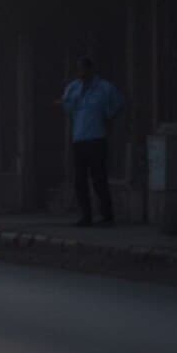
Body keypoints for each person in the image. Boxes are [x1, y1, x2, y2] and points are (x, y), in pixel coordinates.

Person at [61, 57, 125, 227]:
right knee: (80, 180)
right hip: (79, 138)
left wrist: (109, 119)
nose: (81, 73)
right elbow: (66, 107)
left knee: (99, 179)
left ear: (91, 70)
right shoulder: (74, 88)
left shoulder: (105, 88)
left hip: (97, 138)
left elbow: (118, 105)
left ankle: (107, 214)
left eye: (83, 70)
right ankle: (86, 215)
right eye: (79, 70)